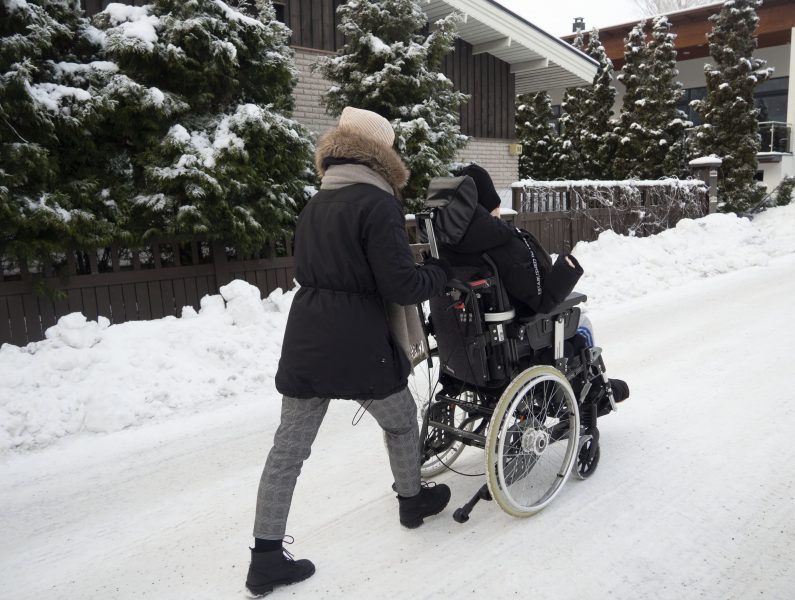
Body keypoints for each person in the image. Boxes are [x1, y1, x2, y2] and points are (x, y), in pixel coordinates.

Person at [246, 107, 453, 596]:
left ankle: (266, 558)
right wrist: (441, 275)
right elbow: (400, 285)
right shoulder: (378, 205)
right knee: (401, 421)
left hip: (307, 336)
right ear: (382, 155)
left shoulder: (316, 203)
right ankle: (411, 501)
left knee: (288, 451)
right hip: (360, 340)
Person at [438, 163, 629, 409]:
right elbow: (542, 300)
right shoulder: (504, 241)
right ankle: (590, 392)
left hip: (463, 350)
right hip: (511, 344)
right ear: (487, 201)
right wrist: (565, 270)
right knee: (581, 323)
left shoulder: (442, 246)